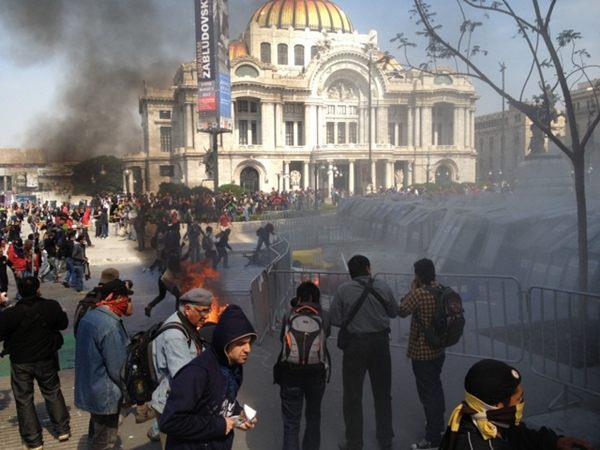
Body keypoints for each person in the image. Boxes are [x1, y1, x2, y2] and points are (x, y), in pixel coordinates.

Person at [159, 304, 257, 449]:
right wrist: (220, 425)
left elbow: (223, 398)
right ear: (226, 343)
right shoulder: (196, 373)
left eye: (249, 343)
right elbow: (170, 422)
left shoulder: (234, 367)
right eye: (241, 344)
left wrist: (239, 414)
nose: (248, 349)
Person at [440, 359, 593, 450]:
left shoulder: (491, 422)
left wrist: (556, 442)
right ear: (497, 406)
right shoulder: (477, 445)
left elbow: (518, 435)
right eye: (519, 399)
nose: (522, 403)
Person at [329, 255, 398, 450]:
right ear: (368, 268)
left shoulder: (343, 290)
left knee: (352, 395)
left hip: (355, 346)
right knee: (383, 394)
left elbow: (334, 318)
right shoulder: (383, 287)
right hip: (380, 344)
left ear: (350, 272)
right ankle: (385, 439)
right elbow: (394, 312)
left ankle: (354, 442)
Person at [0, 277, 70, 449]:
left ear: (19, 291)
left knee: (24, 399)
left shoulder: (11, 313)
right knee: (52, 392)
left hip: (21, 361)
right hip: (45, 358)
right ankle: (62, 430)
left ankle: (33, 440)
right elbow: (63, 324)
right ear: (38, 289)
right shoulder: (51, 306)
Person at [148, 287, 215, 447]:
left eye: (208, 310)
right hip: (172, 407)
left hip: (180, 403)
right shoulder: (175, 336)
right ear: (187, 309)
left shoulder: (185, 323)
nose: (206, 316)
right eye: (202, 311)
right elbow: (186, 378)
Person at [74, 279, 132, 450]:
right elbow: (118, 368)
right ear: (113, 297)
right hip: (105, 393)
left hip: (92, 388)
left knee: (96, 434)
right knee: (104, 442)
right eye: (125, 299)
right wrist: (128, 393)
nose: (127, 304)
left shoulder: (91, 316)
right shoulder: (110, 326)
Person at [398, 258, 446, 450]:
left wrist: (412, 290)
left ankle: (433, 438)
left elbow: (401, 311)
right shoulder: (442, 290)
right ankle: (439, 427)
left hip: (422, 353)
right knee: (436, 388)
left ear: (418, 274)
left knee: (428, 394)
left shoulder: (418, 294)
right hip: (439, 349)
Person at [275, 281, 330, 450]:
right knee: (313, 416)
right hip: (316, 373)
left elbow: (281, 339)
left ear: (298, 297)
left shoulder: (289, 313)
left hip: (291, 373)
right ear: (316, 297)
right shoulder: (324, 315)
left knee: (291, 421)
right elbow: (326, 334)